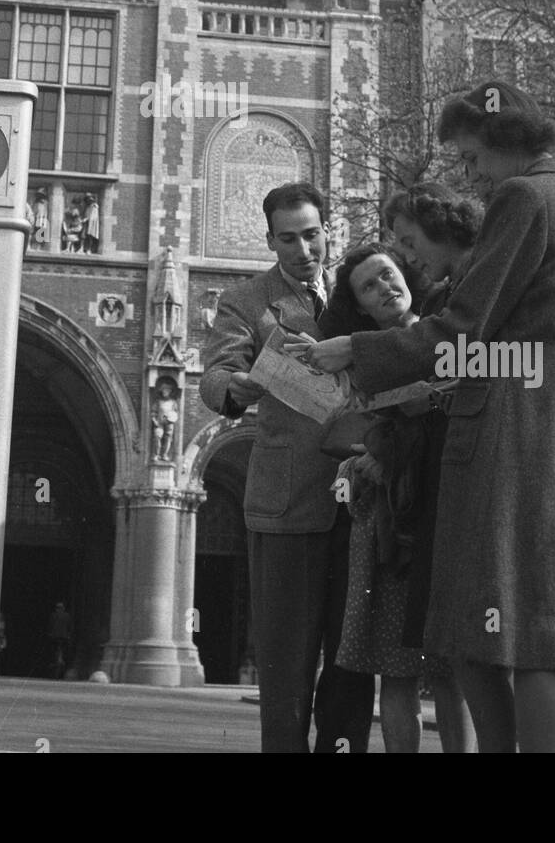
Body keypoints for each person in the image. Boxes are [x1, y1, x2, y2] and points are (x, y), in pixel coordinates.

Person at [298, 82, 555, 753]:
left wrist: (355, 349)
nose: (467, 177)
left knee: (520, 638)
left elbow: (463, 326)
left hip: (515, 440)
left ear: (505, 142)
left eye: (469, 158)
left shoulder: (524, 199)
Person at [200, 182, 374, 753]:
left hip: (362, 497)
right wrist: (237, 385)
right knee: (286, 664)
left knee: (352, 659)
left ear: (328, 230)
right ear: (270, 240)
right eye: (289, 239)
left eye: (312, 235)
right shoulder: (247, 301)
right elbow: (214, 376)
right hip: (287, 500)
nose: (304, 249)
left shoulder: (358, 291)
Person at [320, 238, 473, 753]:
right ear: (359, 306)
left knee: (454, 670)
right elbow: (340, 430)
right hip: (388, 521)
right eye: (368, 286)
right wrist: (367, 455)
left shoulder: (447, 335)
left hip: (444, 512)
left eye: (387, 274)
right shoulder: (360, 361)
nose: (384, 287)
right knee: (397, 670)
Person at [48, 601, 73, 678]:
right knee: (66, 651)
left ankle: (52, 662)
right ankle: (65, 662)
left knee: (53, 650)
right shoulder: (67, 616)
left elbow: (50, 626)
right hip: (64, 637)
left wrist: (50, 633)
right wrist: (69, 635)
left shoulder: (53, 615)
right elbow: (70, 627)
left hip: (54, 637)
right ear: (63, 609)